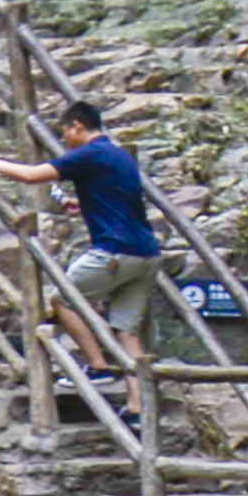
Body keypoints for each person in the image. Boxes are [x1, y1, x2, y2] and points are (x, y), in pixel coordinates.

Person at [51, 107, 179, 361]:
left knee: (62, 299)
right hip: (148, 254)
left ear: (77, 126)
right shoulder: (121, 156)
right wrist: (84, 204)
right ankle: (138, 401)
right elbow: (120, 198)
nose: (65, 139)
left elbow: (31, 175)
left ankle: (97, 366)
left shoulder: (89, 154)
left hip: (115, 252)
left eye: (65, 132)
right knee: (126, 332)